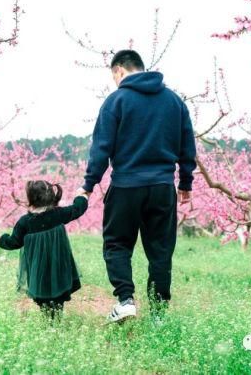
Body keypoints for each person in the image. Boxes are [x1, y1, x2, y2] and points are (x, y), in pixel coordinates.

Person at [81, 49, 197, 324]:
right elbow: (187, 145)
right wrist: (186, 182)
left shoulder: (116, 100)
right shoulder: (174, 102)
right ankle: (159, 315)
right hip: (162, 186)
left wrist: (88, 184)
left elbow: (101, 148)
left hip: (126, 186)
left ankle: (125, 301)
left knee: (117, 244)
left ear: (119, 70)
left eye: (114, 76)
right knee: (160, 250)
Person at [0, 180, 89, 320]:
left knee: (42, 295)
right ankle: (55, 317)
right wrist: (82, 196)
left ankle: (48, 317)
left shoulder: (25, 222)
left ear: (31, 198)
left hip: (38, 269)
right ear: (51, 195)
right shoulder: (58, 214)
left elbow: (14, 242)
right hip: (59, 264)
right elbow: (77, 209)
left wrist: (2, 239)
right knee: (59, 292)